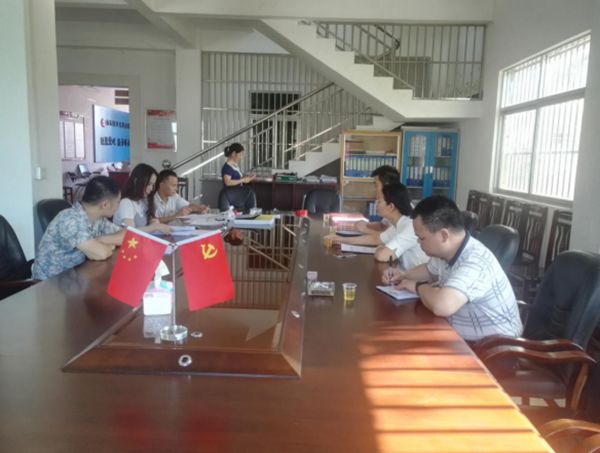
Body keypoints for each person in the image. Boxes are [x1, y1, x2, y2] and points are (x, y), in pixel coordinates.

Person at [382, 195, 523, 342]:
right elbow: (429, 271)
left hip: (494, 348)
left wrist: (417, 286)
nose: (418, 242)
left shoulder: (475, 261)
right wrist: (403, 275)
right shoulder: (448, 250)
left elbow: (442, 306)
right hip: (459, 336)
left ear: (444, 235)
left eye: (421, 238)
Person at [32, 176, 126, 280]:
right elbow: (101, 253)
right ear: (105, 204)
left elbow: (126, 236)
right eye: (118, 202)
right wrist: (108, 245)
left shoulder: (98, 219)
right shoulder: (70, 220)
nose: (118, 206)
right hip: (49, 283)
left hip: (75, 277)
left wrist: (101, 240)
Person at [325, 183, 428, 267]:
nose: (376, 203)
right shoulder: (397, 224)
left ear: (391, 207)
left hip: (416, 279)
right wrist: (340, 239)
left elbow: (382, 255)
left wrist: (380, 248)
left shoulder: (409, 226)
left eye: (379, 201)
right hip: (402, 273)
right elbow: (376, 239)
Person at [112, 163, 170, 234]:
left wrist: (154, 223)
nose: (151, 188)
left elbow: (150, 224)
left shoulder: (143, 201)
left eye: (153, 185)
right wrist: (154, 227)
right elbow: (130, 232)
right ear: (136, 181)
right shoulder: (125, 202)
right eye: (149, 184)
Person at [355, 165, 401, 234]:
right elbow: (383, 226)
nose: (374, 189)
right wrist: (366, 225)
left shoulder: (401, 208)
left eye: (376, 185)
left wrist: (365, 229)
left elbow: (390, 237)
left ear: (386, 185)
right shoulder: (389, 202)